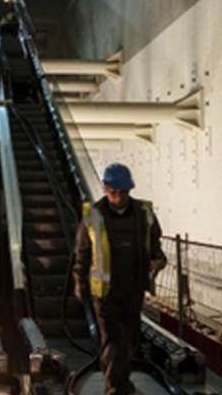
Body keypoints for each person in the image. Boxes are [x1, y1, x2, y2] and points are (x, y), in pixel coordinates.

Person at [74, 163, 167, 394]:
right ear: (105, 189)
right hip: (105, 291)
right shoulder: (93, 216)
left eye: (123, 192)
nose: (118, 197)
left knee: (130, 338)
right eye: (113, 192)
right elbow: (82, 254)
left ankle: (119, 380)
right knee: (112, 339)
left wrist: (158, 261)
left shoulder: (144, 213)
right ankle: (116, 388)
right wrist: (80, 283)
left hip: (134, 287)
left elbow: (156, 248)